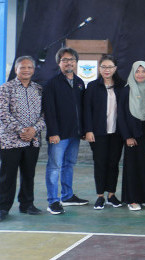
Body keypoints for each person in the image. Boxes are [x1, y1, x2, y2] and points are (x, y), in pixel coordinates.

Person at [43, 47, 89, 215]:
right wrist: (53, 132)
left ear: (76, 62)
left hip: (74, 134)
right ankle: (53, 201)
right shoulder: (51, 84)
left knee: (69, 165)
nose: (69, 62)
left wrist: (83, 130)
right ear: (59, 63)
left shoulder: (79, 82)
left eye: (72, 60)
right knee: (54, 167)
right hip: (58, 135)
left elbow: (82, 109)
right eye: (65, 60)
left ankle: (67, 196)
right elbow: (49, 111)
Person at [0, 56, 46, 220]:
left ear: (33, 70)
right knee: (8, 175)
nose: (26, 70)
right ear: (16, 70)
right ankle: (3, 207)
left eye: (29, 68)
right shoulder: (6, 88)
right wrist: (21, 130)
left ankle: (27, 205)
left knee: (29, 174)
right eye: (22, 68)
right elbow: (3, 113)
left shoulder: (38, 89)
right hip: (11, 140)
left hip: (33, 140)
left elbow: (44, 114)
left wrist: (34, 130)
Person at [84, 54, 124, 210]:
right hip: (98, 133)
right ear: (99, 68)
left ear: (115, 68)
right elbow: (86, 110)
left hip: (117, 133)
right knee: (100, 163)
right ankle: (100, 196)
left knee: (113, 164)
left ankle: (111, 195)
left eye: (110, 67)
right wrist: (88, 130)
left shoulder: (122, 86)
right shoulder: (93, 86)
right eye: (104, 67)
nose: (107, 70)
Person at [117, 61, 145, 211]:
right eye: (137, 71)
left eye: (143, 71)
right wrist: (127, 136)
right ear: (133, 73)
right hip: (132, 133)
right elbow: (121, 116)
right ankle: (132, 199)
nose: (140, 74)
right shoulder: (126, 91)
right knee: (133, 168)